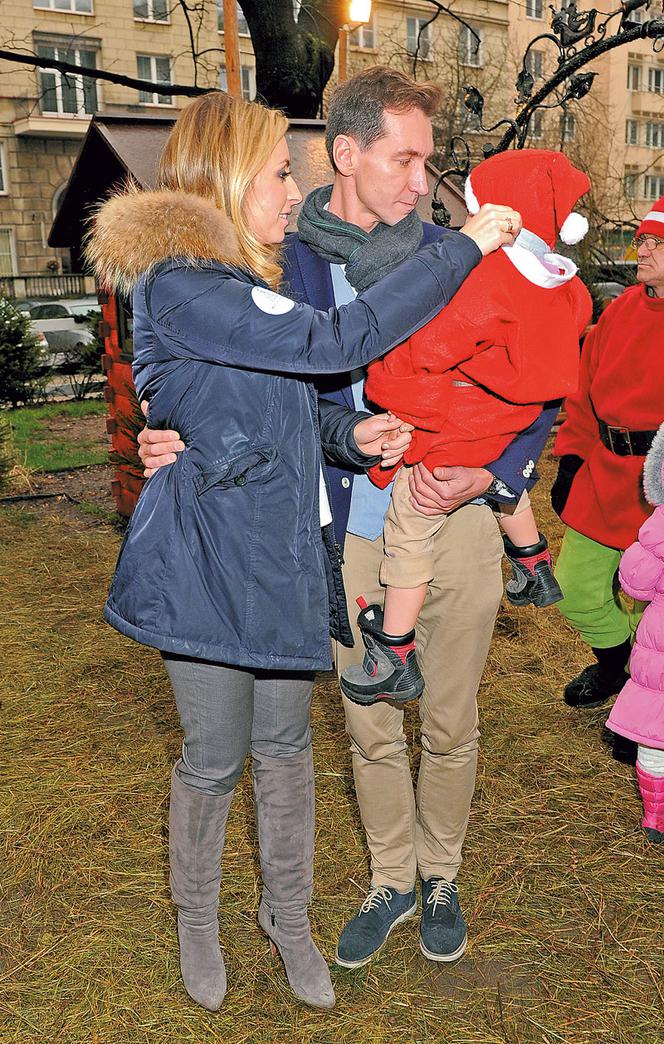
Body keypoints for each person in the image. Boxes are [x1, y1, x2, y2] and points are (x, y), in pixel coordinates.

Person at [86, 90, 517, 1012]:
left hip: (282, 559)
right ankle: (197, 923)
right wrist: (461, 248)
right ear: (231, 177)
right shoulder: (181, 282)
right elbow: (334, 340)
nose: (294, 189)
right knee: (214, 759)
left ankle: (289, 920)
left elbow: (283, 407)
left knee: (284, 750)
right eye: (280, 172)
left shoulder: (249, 278)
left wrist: (347, 436)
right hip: (205, 569)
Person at [338, 148, 593, 705]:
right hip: (508, 422)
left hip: (455, 431)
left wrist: (387, 372)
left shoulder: (488, 278)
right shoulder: (570, 289)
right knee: (508, 488)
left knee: (410, 526)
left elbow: (431, 345)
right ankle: (533, 563)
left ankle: (395, 649)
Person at [551, 196, 664, 717]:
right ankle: (617, 662)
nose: (642, 248)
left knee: (654, 612)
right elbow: (581, 391)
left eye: (655, 242)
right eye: (642, 238)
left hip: (658, 488)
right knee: (573, 588)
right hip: (606, 476)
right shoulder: (620, 309)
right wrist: (571, 458)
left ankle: (649, 708)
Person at [606, 422, 664, 844]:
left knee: (654, 738)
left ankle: (655, 819)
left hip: (657, 658)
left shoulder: (658, 528)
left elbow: (636, 584)